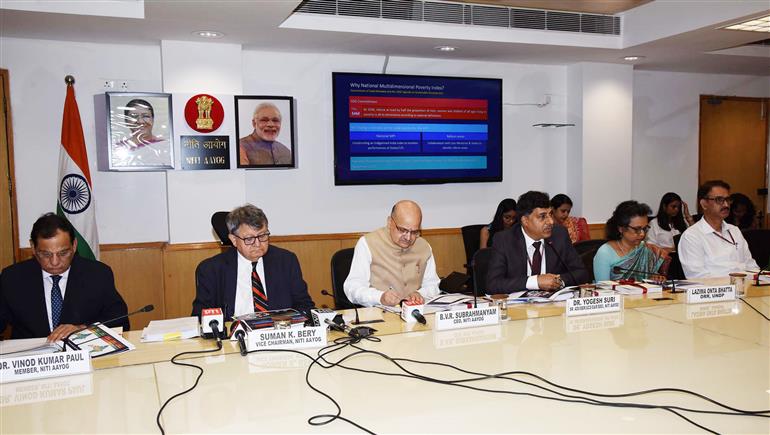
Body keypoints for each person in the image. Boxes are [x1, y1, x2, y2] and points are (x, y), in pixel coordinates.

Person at [0, 213, 129, 341]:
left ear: (74, 245)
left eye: (63, 253)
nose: (55, 262)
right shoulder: (12, 278)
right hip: (31, 358)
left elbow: (120, 320)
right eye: (46, 254)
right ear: (33, 248)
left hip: (81, 354)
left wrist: (84, 329)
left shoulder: (97, 274)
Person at [192, 204, 315, 319]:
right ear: (234, 239)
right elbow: (200, 317)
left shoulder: (286, 261)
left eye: (262, 236)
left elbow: (304, 305)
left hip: (278, 333)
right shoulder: (211, 269)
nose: (257, 244)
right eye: (249, 238)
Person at [486, 191, 589, 294]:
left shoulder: (559, 235)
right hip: (518, 307)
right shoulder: (504, 240)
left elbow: (581, 273)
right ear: (525, 221)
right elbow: (493, 284)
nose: (551, 222)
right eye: (543, 216)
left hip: (553, 305)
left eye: (550, 214)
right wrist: (535, 281)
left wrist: (558, 282)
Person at [344, 200, 441, 307]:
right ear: (390, 222)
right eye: (402, 229)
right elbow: (352, 287)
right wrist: (379, 297)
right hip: (379, 315)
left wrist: (420, 294)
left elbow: (433, 285)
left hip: (416, 314)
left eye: (414, 232)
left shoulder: (424, 247)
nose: (408, 237)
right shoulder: (367, 243)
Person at [679, 180, 759, 278]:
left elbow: (751, 266)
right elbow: (698, 277)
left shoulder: (734, 231)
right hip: (716, 291)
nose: (726, 205)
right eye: (719, 200)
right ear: (704, 204)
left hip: (744, 288)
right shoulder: (692, 236)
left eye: (727, 200)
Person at [593, 201, 669, 282]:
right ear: (621, 228)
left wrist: (656, 278)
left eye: (645, 228)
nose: (642, 234)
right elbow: (603, 289)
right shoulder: (605, 253)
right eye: (637, 229)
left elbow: (650, 277)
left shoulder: (645, 249)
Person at [113, 98, 171, 167]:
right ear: (126, 121)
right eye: (134, 116)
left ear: (152, 120)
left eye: (145, 116)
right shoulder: (118, 149)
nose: (140, 121)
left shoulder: (165, 146)